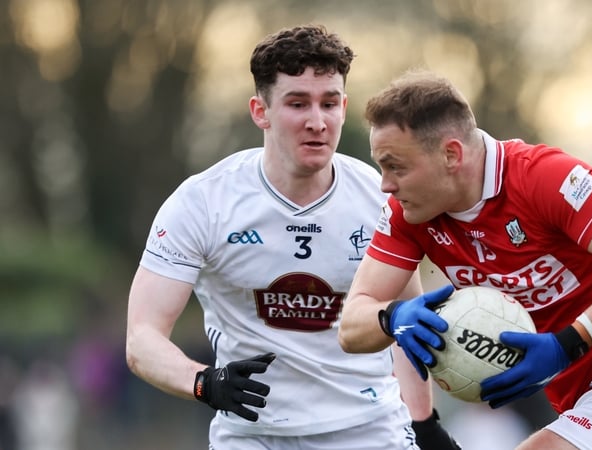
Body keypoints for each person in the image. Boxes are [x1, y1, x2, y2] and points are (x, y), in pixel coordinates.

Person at [338, 70, 592, 449]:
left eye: (396, 166)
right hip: (581, 404)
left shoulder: (541, 177)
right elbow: (351, 327)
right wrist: (393, 317)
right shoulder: (411, 213)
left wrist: (569, 343)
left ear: (451, 154)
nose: (385, 183)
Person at [126, 26, 459, 449]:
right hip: (251, 435)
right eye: (297, 103)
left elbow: (404, 322)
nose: (317, 122)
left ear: (344, 108)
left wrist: (425, 425)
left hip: (370, 430)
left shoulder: (377, 196)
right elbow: (142, 339)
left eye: (329, 103)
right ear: (260, 111)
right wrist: (204, 383)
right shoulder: (202, 202)